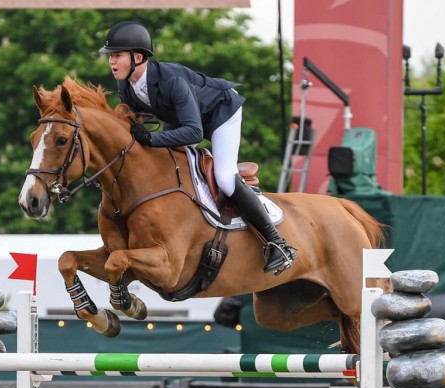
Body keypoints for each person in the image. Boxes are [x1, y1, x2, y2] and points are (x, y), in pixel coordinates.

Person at [98, 20, 297, 274]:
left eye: (117, 56)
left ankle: (277, 242)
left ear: (137, 57)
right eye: (110, 56)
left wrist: (151, 139)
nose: (111, 62)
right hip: (183, 119)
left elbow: (194, 132)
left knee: (225, 178)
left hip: (221, 113)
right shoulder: (126, 85)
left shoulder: (172, 81)